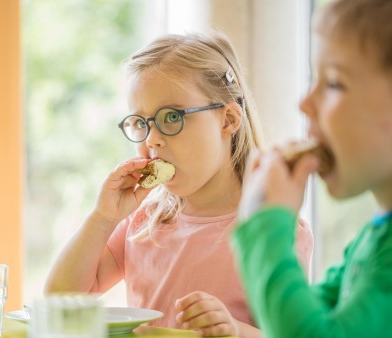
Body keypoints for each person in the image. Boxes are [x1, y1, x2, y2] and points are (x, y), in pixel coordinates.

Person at [45, 32, 313, 337]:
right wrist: (102, 218)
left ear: (228, 120)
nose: (151, 139)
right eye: (140, 123)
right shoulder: (144, 222)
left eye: (171, 117)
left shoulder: (273, 232)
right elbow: (60, 302)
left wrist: (236, 331)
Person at [232, 0, 392, 337]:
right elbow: (312, 314)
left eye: (334, 83)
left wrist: (265, 226)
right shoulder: (374, 237)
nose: (304, 103)